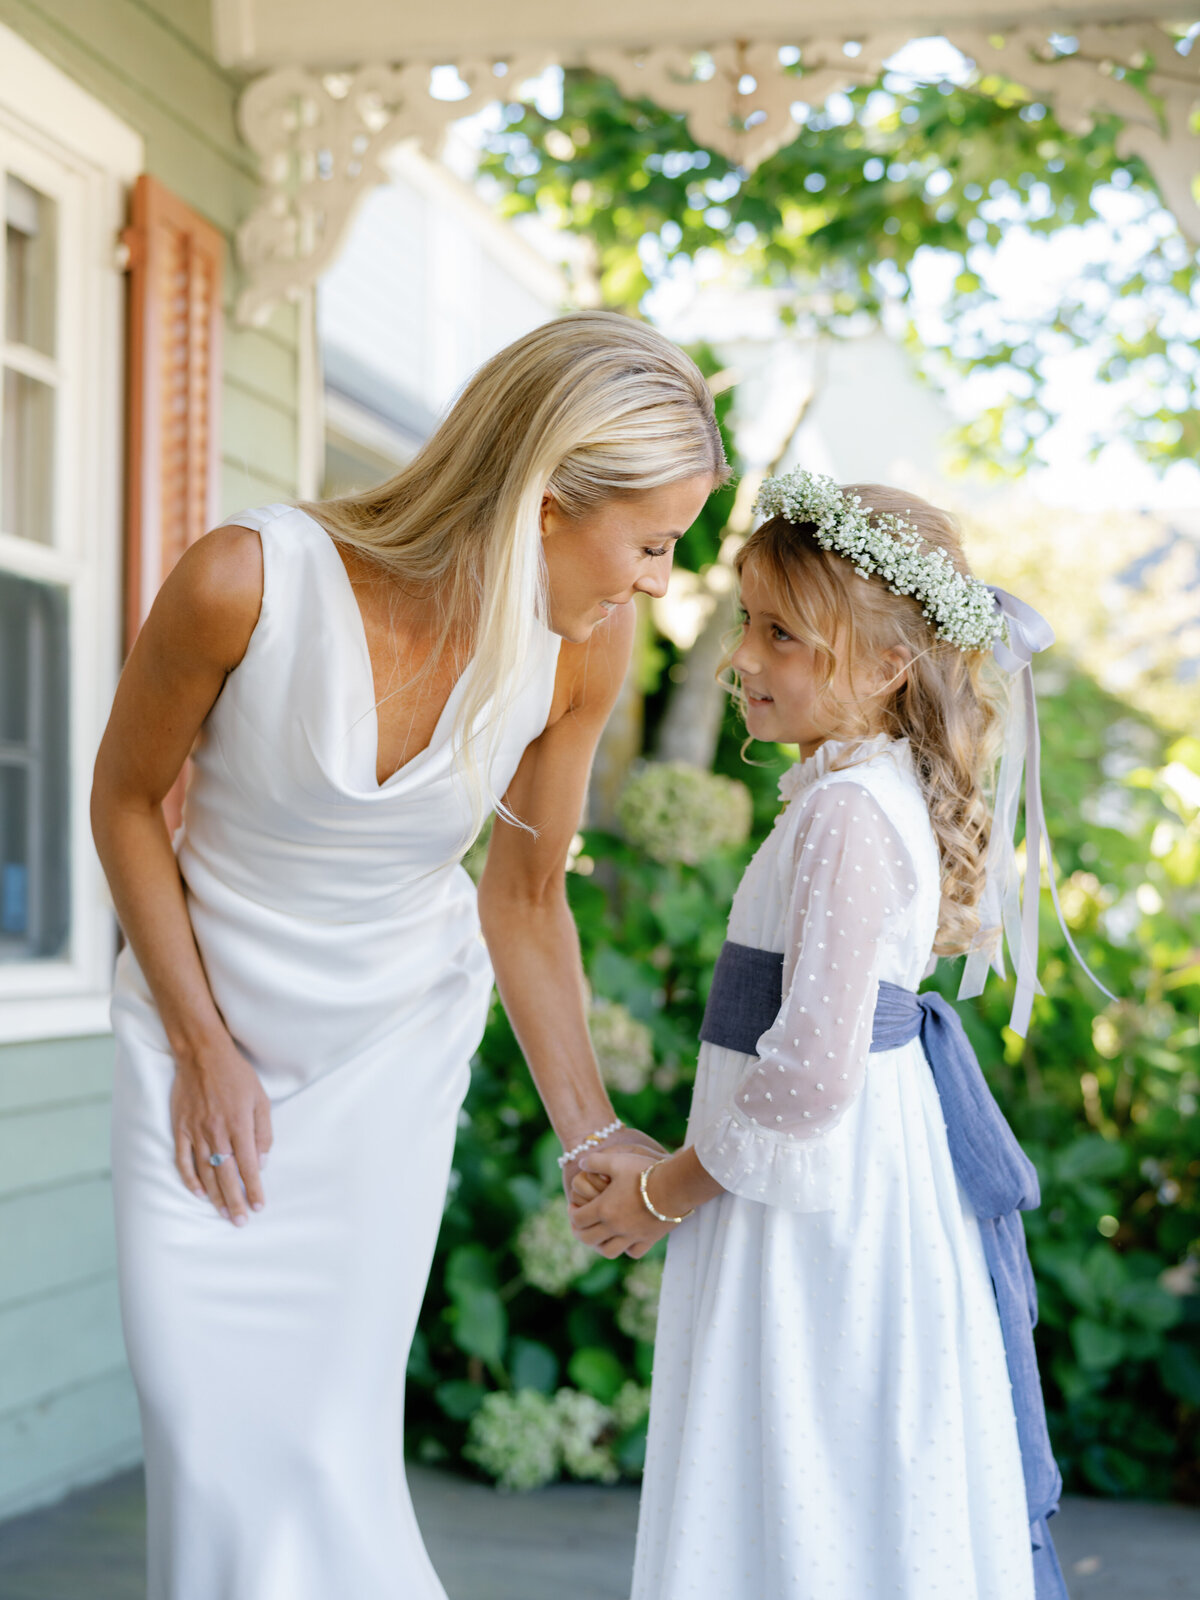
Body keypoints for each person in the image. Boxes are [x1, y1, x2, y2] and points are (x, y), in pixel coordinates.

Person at [91, 310, 727, 1600]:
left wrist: (590, 1129)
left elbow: (526, 897)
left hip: (386, 1063)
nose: (660, 580)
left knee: (328, 1451)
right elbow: (121, 802)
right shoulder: (245, 580)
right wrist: (205, 1045)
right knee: (211, 1447)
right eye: (652, 542)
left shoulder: (583, 648)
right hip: (194, 1050)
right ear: (549, 500)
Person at [570, 471, 1074, 1600]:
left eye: (782, 633)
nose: (742, 658)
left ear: (891, 664)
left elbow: (802, 1083)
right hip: (844, 1188)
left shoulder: (849, 813)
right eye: (747, 623)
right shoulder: (856, 790)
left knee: (804, 1470)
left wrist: (660, 1195)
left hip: (815, 1220)